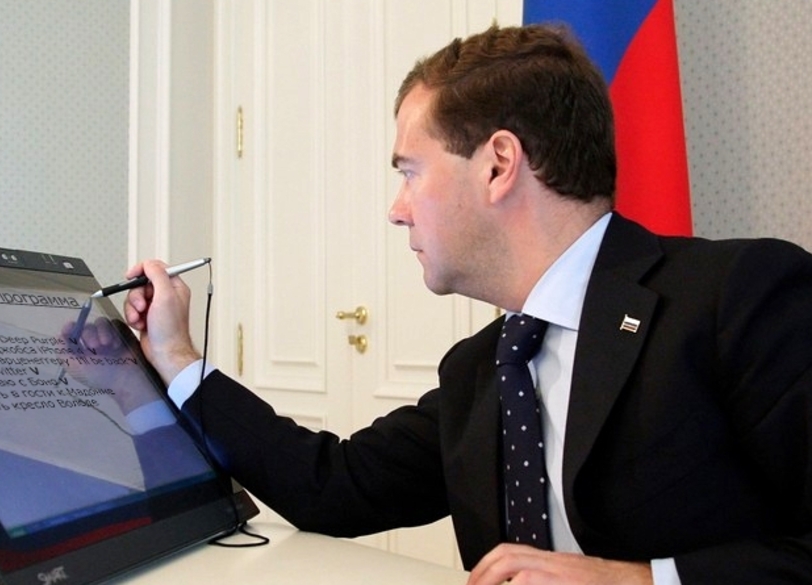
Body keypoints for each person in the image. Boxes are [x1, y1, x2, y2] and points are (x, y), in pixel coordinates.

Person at [116, 24, 812, 585]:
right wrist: (175, 356)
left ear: (498, 165)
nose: (397, 209)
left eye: (410, 172)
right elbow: (333, 487)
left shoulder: (741, 295)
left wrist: (642, 579)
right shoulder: (483, 369)